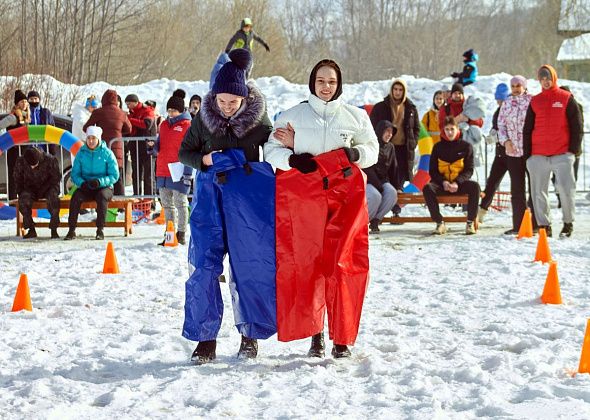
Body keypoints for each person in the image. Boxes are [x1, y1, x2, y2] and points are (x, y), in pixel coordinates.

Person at [264, 58, 378, 359]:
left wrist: (355, 153)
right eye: (320, 81)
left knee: (342, 265)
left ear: (339, 84)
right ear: (312, 83)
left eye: (331, 81)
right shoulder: (292, 116)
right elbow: (271, 149)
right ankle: (315, 333)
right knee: (308, 265)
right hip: (305, 199)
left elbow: (372, 150)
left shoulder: (354, 117)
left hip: (344, 198)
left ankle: (342, 338)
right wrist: (291, 160)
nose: (326, 87)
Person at [178, 49, 276, 364]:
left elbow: (273, 147)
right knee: (204, 267)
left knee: (250, 265)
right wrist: (203, 160)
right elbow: (184, 152)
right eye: (222, 101)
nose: (227, 107)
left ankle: (251, 335)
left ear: (245, 98)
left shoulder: (259, 119)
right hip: (209, 195)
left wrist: (286, 143)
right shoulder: (203, 118)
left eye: (233, 102)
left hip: (247, 198)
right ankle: (205, 340)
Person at [523, 65, 583, 238]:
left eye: (548, 78)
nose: (545, 81)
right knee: (538, 192)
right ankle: (544, 225)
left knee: (565, 189)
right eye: (542, 79)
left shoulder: (566, 98)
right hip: (538, 155)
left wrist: (573, 151)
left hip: (562, 153)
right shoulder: (535, 101)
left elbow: (576, 125)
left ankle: (568, 222)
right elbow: (528, 129)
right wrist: (528, 155)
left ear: (554, 78)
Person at [483, 77, 533, 234]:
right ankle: (518, 225)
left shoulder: (532, 101)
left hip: (531, 152)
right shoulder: (506, 104)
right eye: (513, 86)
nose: (516, 88)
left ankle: (536, 224)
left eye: (519, 85)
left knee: (534, 189)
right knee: (517, 190)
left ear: (524, 87)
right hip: (513, 153)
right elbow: (501, 125)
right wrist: (505, 142)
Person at [423, 116, 480, 235]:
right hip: (443, 185)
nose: (449, 132)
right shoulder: (437, 147)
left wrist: (457, 182)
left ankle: (470, 222)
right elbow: (432, 171)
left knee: (475, 187)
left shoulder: (466, 147)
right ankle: (439, 223)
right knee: (427, 188)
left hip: (459, 185)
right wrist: (443, 182)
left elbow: (469, 170)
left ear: (457, 129)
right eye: (447, 129)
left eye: (452, 129)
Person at [150, 95, 192, 245]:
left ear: (181, 111)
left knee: (181, 203)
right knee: (166, 205)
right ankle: (169, 234)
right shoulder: (163, 125)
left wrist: (188, 172)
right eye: (169, 110)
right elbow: (159, 144)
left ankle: (181, 233)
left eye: (174, 110)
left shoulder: (187, 125)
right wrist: (153, 148)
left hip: (178, 169)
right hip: (162, 169)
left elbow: (191, 149)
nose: (171, 113)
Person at [64, 126, 119, 241]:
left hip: (104, 187)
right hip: (87, 186)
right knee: (76, 197)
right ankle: (71, 230)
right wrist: (82, 183)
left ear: (98, 139)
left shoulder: (107, 153)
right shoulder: (81, 153)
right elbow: (75, 174)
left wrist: (100, 182)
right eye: (89, 138)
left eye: (93, 138)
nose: (91, 141)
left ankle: (100, 229)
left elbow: (114, 175)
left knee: (102, 197)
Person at [370, 79, 420, 195]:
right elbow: (372, 126)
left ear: (404, 92)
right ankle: (388, 205)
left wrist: (413, 142)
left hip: (404, 148)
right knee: (387, 176)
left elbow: (416, 128)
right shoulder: (380, 107)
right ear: (391, 90)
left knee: (400, 179)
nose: (397, 92)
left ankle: (396, 209)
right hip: (386, 147)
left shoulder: (411, 108)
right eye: (395, 89)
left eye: (400, 90)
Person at [83, 89, 132, 196]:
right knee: (117, 176)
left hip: (102, 148)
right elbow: (129, 129)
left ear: (103, 99)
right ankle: (120, 205)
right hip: (117, 147)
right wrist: (118, 132)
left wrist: (96, 133)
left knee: (102, 176)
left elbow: (86, 127)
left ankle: (102, 201)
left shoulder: (98, 112)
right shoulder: (122, 113)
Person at [477, 83, 510, 226]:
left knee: (519, 184)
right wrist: (492, 135)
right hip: (500, 154)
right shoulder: (498, 112)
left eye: (501, 99)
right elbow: (496, 128)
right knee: (492, 182)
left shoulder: (512, 110)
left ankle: (527, 211)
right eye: (498, 100)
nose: (499, 102)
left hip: (514, 153)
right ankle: (482, 210)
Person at [13, 147, 61, 239]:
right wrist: (20, 193)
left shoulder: (50, 160)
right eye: (31, 165)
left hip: (48, 187)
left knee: (53, 198)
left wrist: (45, 188)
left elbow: (56, 178)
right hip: (31, 188)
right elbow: (17, 179)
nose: (33, 167)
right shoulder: (21, 161)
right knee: (23, 200)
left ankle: (54, 229)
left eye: (35, 165)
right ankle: (31, 229)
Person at [364, 120, 399, 233]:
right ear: (380, 131)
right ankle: (364, 222)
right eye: (387, 131)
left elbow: (394, 168)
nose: (389, 134)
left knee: (392, 193)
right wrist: (378, 185)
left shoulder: (390, 147)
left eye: (391, 132)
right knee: (375, 196)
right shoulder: (370, 144)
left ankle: (376, 220)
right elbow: (367, 168)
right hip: (368, 180)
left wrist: (398, 186)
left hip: (383, 181)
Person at [125, 94, 156, 196]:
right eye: (126, 104)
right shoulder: (131, 113)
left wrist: (129, 119)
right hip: (135, 147)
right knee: (136, 174)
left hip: (148, 146)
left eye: (129, 103)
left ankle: (149, 201)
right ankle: (136, 198)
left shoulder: (148, 110)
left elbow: (146, 124)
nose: (128, 106)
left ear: (135, 102)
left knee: (148, 175)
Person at [1, 90, 31, 200]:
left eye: (25, 101)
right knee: (14, 177)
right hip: (14, 151)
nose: (24, 104)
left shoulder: (27, 117)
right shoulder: (13, 117)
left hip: (25, 151)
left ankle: (25, 200)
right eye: (21, 102)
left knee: (24, 177)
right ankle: (13, 202)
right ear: (17, 104)